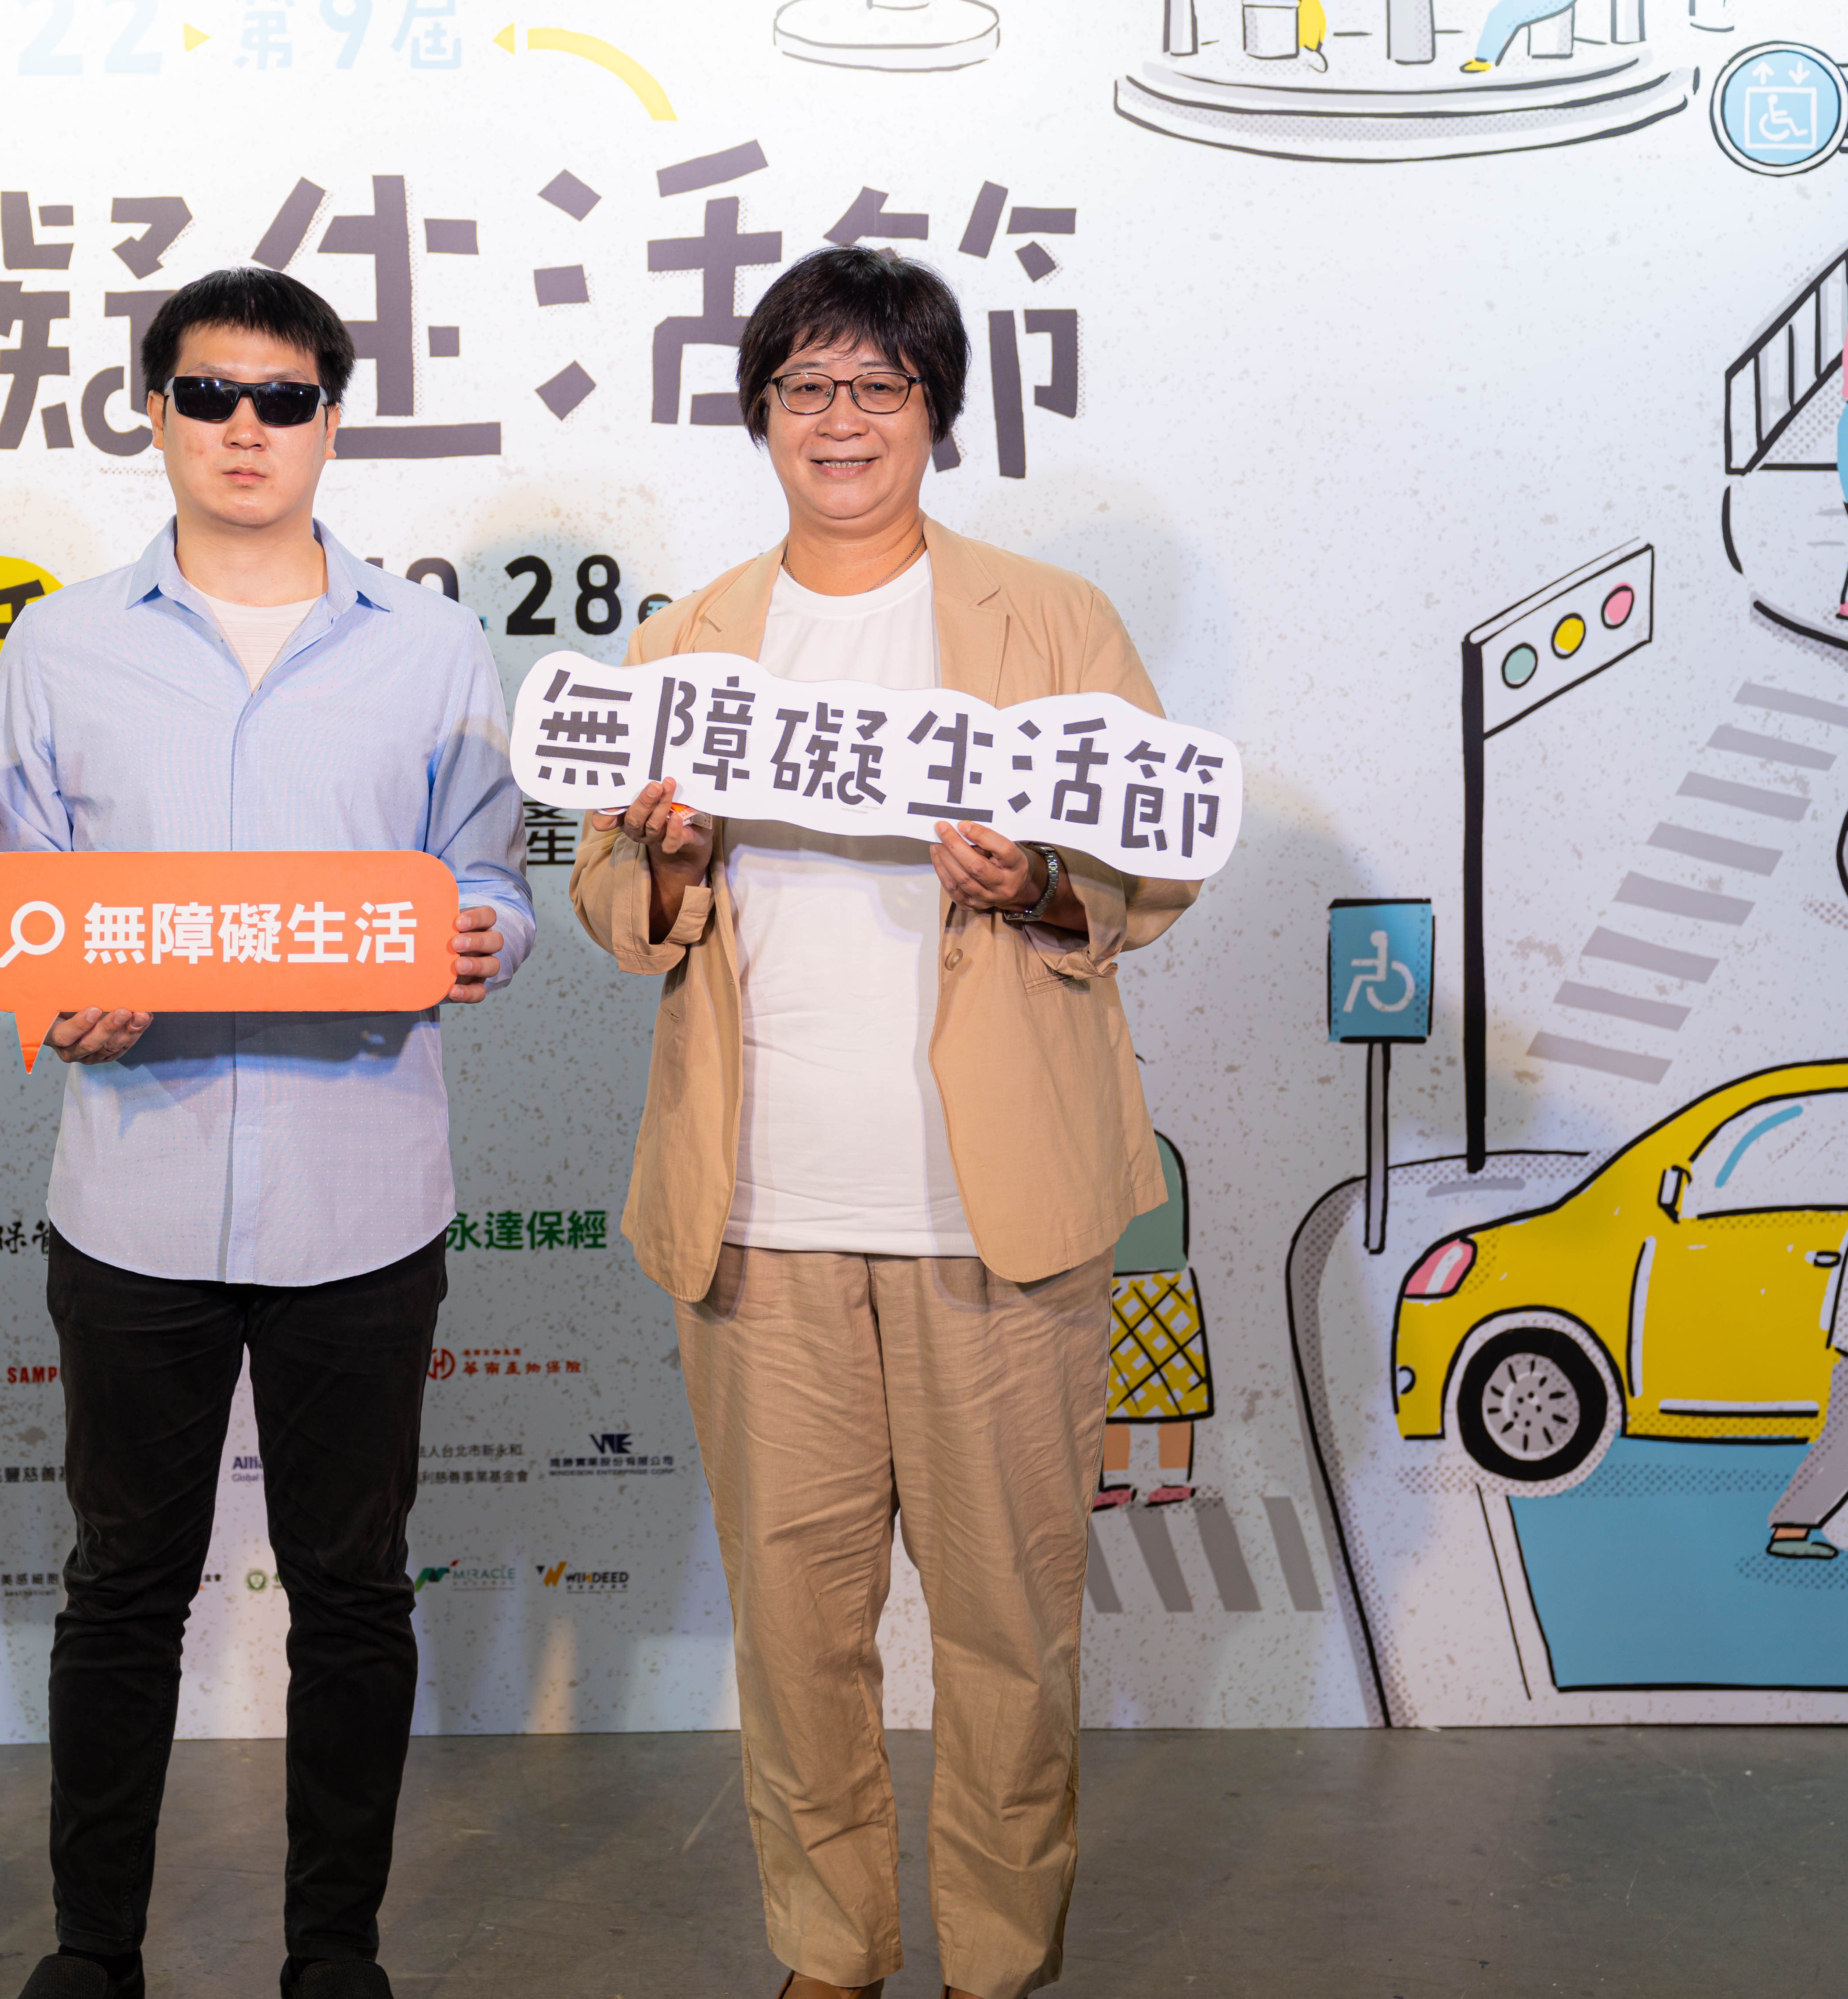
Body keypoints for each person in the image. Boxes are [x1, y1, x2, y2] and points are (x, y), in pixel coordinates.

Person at [570, 245, 1197, 1999]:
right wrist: (665, 865)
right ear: (758, 413)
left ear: (932, 413)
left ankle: (995, 1960)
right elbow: (608, 904)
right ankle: (826, 1953)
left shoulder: (1047, 620)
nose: (837, 420)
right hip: (754, 1210)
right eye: (804, 388)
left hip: (990, 1210)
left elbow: (1151, 864)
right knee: (792, 1628)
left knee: (1008, 1625)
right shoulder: (687, 639)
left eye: (877, 387)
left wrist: (1038, 878)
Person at [0, 267, 533, 1999]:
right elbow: (15, 897)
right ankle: (92, 1950)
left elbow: (494, 881)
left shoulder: (429, 647)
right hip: (130, 1190)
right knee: (121, 1587)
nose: (244, 428)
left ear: (329, 423)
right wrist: (49, 988)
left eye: (281, 399)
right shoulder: (58, 644)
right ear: (150, 411)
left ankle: (330, 1952)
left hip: (357, 1188)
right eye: (208, 394)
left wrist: (484, 937)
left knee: (351, 1589)